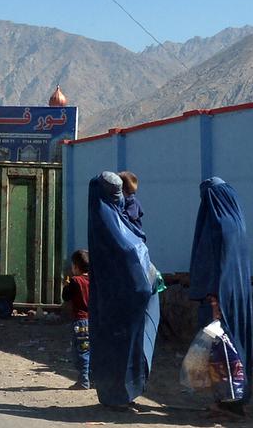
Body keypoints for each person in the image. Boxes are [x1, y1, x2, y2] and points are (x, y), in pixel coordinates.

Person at [87, 171, 160, 408]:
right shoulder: (108, 222)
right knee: (119, 346)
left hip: (125, 299)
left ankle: (122, 394)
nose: (120, 198)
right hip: (118, 299)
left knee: (124, 346)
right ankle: (116, 396)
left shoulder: (114, 217)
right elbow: (131, 252)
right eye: (115, 193)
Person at [188, 177, 253, 417]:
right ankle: (238, 397)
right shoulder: (237, 223)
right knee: (236, 349)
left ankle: (229, 402)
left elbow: (213, 265)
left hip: (218, 301)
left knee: (221, 352)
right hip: (237, 297)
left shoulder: (216, 227)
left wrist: (214, 299)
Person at [62, 249, 91, 390]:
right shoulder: (94, 280)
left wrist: (66, 285)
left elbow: (66, 297)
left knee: (82, 351)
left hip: (80, 322)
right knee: (91, 350)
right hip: (94, 321)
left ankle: (84, 380)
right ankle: (93, 378)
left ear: (75, 266)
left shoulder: (75, 281)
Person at [118, 171, 145, 237]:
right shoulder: (123, 201)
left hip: (134, 237)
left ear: (122, 189)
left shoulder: (132, 203)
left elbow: (126, 217)